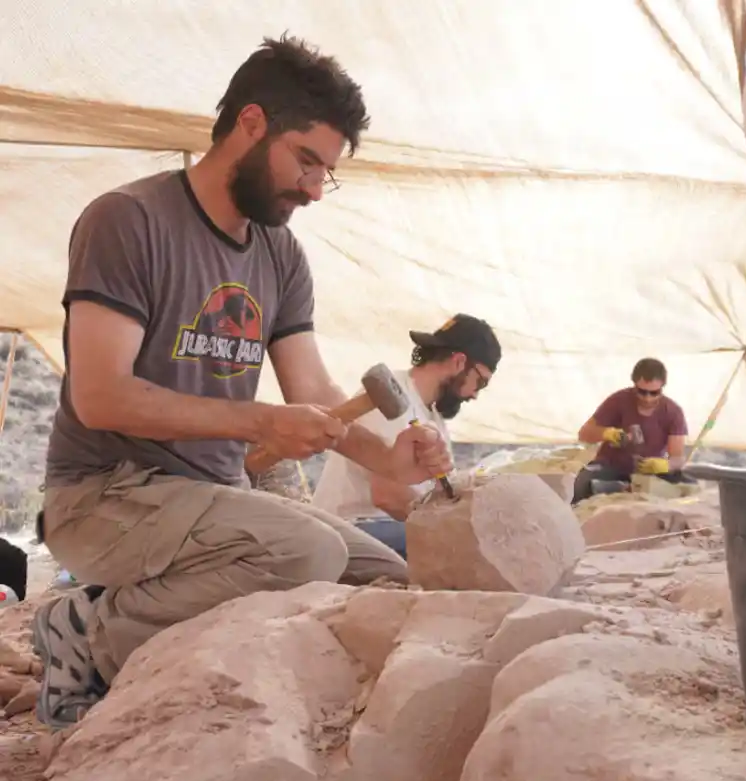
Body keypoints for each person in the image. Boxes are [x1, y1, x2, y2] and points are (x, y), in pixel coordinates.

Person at [34, 35, 453, 730]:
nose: (316, 189)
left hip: (212, 497)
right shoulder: (129, 221)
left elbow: (311, 390)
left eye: (329, 173)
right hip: (102, 493)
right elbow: (100, 396)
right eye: (307, 161)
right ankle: (87, 631)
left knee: (382, 582)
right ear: (251, 124)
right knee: (307, 551)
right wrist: (257, 423)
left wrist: (386, 456)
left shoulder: (280, 254)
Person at [312, 315, 501, 557]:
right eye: (480, 382)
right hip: (350, 529)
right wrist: (451, 529)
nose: (475, 395)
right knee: (459, 548)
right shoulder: (388, 393)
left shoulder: (433, 418)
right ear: (458, 362)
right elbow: (388, 496)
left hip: (387, 529)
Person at [572, 358, 692, 504]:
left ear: (663, 387)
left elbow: (678, 458)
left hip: (649, 472)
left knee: (690, 485)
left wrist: (665, 465)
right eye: (642, 392)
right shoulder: (618, 400)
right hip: (612, 467)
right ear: (634, 384)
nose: (648, 398)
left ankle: (621, 488)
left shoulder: (673, 411)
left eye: (654, 393)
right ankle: (619, 488)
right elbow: (584, 433)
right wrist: (606, 433)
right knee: (582, 482)